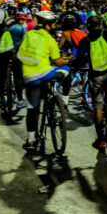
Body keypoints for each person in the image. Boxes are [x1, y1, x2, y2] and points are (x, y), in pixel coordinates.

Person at [17, 11, 72, 151]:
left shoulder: (28, 34)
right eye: (52, 23)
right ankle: (64, 99)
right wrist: (68, 60)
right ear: (46, 25)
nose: (54, 25)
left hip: (29, 78)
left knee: (32, 109)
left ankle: (31, 140)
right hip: (46, 74)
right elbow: (58, 61)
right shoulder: (49, 39)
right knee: (66, 69)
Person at [74, 15, 107, 153]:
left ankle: (101, 140)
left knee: (98, 106)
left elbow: (80, 60)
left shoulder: (85, 40)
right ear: (100, 23)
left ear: (88, 26)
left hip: (96, 75)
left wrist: (76, 67)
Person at [0, 13, 28, 109]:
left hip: (2, 56)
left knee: (2, 77)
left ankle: (2, 99)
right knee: (18, 77)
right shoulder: (20, 28)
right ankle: (20, 100)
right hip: (15, 56)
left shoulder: (3, 29)